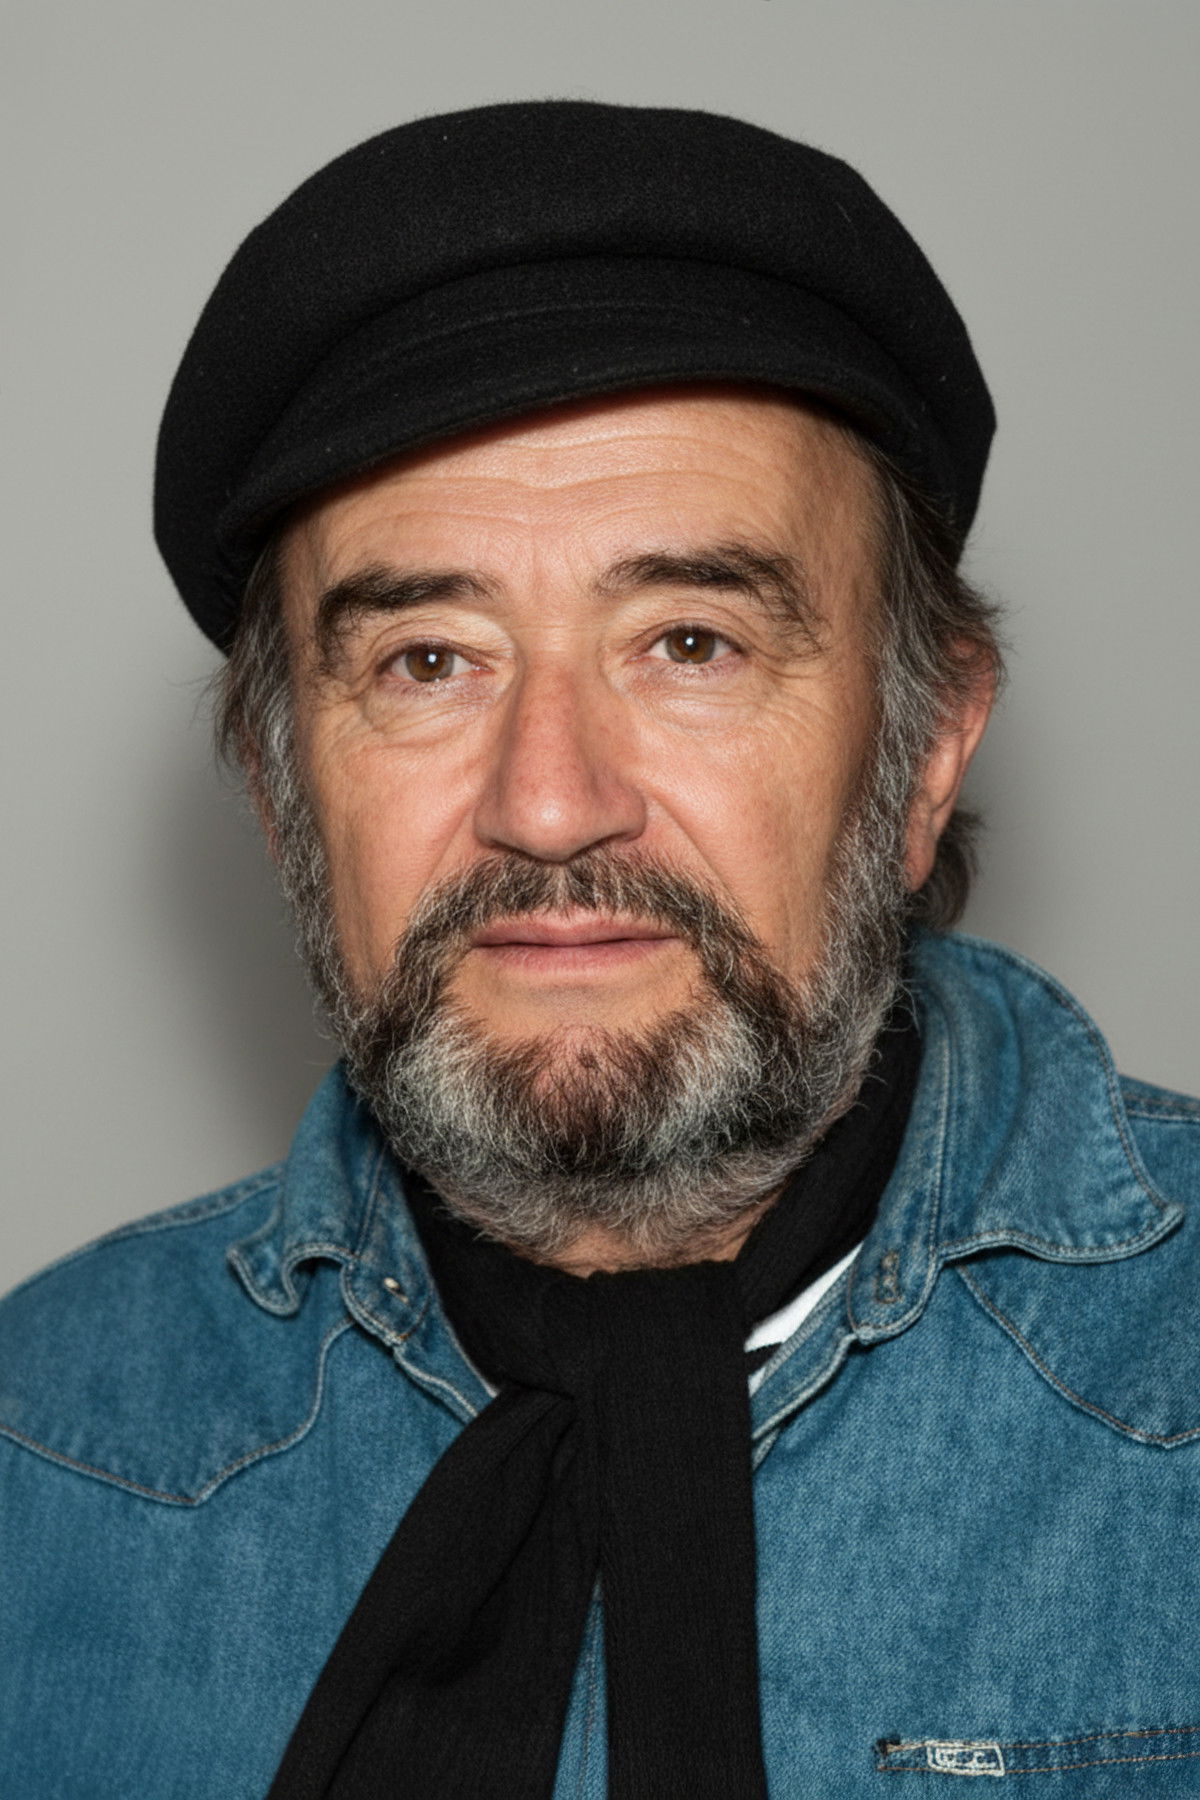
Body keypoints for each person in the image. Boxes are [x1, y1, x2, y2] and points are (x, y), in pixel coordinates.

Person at [2, 99, 1198, 1800]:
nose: (551, 805)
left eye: (690, 641)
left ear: (924, 749)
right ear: (281, 791)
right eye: (427, 660)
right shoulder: (38, 1462)